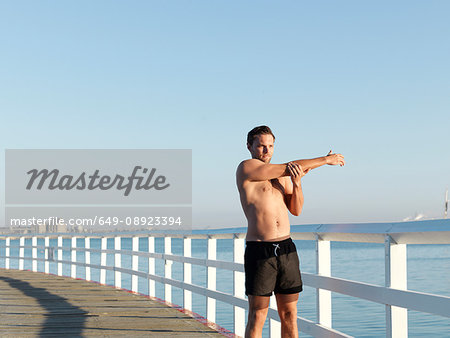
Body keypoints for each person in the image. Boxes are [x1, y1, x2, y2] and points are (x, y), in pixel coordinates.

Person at [236, 125, 345, 338]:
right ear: (249, 146)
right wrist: (324, 160)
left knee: (289, 314)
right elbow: (292, 166)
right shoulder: (246, 168)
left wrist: (297, 184)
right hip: (260, 250)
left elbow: (296, 210)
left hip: (286, 249)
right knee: (258, 314)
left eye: (270, 146)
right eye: (261, 146)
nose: (266, 151)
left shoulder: (284, 175)